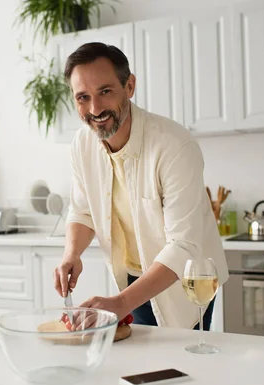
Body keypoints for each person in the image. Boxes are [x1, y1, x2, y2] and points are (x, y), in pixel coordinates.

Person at [53, 42, 229, 329]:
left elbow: (183, 245)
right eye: (82, 97)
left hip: (187, 279)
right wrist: (71, 254)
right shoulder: (82, 144)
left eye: (105, 92)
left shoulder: (174, 145)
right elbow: (82, 211)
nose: (95, 109)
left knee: (185, 365)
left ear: (130, 86)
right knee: (144, 368)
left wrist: (119, 304)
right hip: (132, 279)